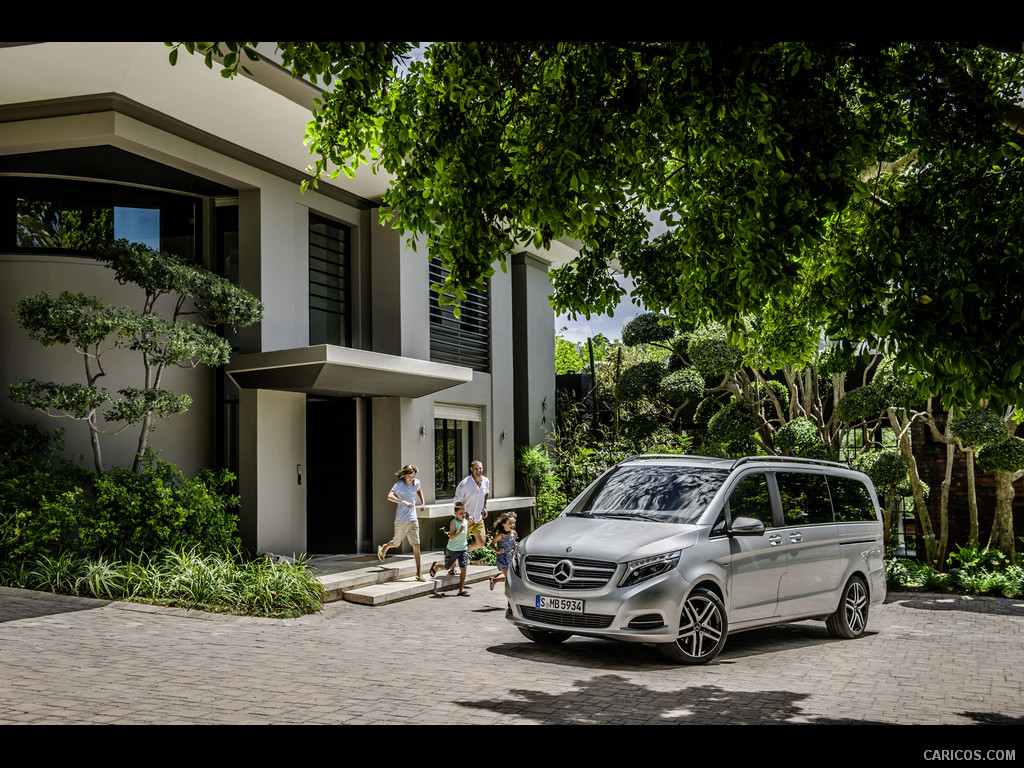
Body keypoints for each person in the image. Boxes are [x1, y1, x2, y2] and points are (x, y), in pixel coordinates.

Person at [379, 464, 427, 581]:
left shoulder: (417, 483)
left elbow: (419, 490)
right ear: (404, 475)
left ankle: (419, 573)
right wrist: (403, 502)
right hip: (401, 520)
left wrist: (423, 503)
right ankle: (385, 547)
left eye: (413, 476)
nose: (411, 478)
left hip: (413, 519)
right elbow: (389, 496)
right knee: (396, 544)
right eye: (409, 476)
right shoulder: (399, 485)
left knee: (416, 546)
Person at [430, 501, 471, 596]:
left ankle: (461, 590)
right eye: (461, 513)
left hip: (462, 549)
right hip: (452, 549)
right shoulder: (454, 522)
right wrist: (460, 530)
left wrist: (466, 550)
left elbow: (464, 536)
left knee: (463, 568)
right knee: (446, 567)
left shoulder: (465, 521)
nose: (463, 515)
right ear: (455, 514)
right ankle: (436, 566)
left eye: (464, 512)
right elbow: (451, 537)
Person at [455, 459, 489, 552]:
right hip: (465, 519)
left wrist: (484, 507)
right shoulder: (465, 483)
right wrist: (466, 514)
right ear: (471, 469)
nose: (478, 471)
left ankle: (465, 552)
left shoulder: (486, 481)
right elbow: (457, 501)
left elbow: (486, 493)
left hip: (478, 517)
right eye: (476, 469)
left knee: (481, 542)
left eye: (480, 468)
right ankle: (451, 565)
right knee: (458, 544)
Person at [488, 511, 517, 591]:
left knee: (512, 577)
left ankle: (494, 580)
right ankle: (511, 594)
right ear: (503, 524)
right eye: (510, 523)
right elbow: (491, 545)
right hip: (503, 559)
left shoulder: (514, 533)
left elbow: (514, 544)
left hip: (511, 558)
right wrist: (497, 551)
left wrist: (516, 553)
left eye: (513, 523)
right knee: (509, 578)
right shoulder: (500, 536)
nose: (512, 525)